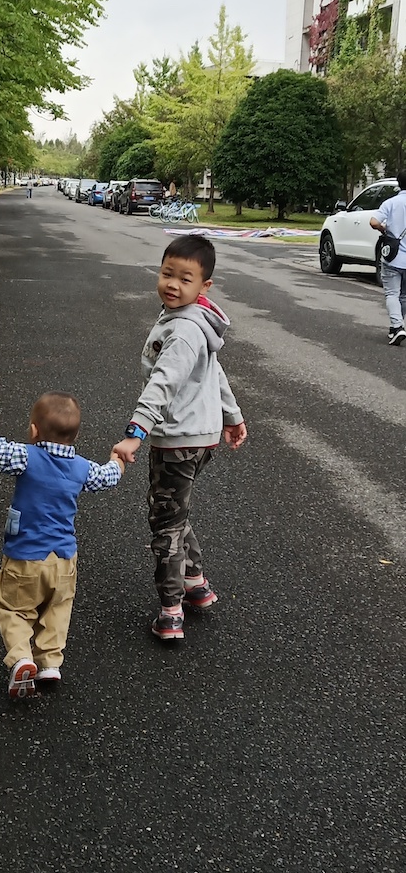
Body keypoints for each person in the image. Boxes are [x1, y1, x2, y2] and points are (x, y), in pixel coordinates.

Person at [113, 234, 247, 642]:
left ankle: (171, 610)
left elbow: (163, 383)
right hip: (200, 437)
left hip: (177, 439)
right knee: (174, 512)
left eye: (185, 279)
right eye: (167, 273)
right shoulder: (194, 320)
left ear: (204, 286)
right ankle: (195, 584)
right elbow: (214, 372)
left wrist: (135, 433)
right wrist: (232, 416)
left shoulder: (185, 331)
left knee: (165, 523)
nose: (172, 284)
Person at [0, 391, 123, 698]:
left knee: (11, 607)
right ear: (75, 436)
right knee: (58, 609)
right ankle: (49, 662)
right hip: (64, 560)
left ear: (34, 431)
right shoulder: (82, 467)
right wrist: (118, 462)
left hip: (25, 556)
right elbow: (106, 477)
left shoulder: (26, 457)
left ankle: (21, 658)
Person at [370, 173, 406, 345]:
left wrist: (384, 229)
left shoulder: (391, 203)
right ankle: (396, 327)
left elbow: (373, 222)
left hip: (393, 257)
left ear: (399, 184)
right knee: (404, 295)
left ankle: (397, 327)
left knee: (392, 293)